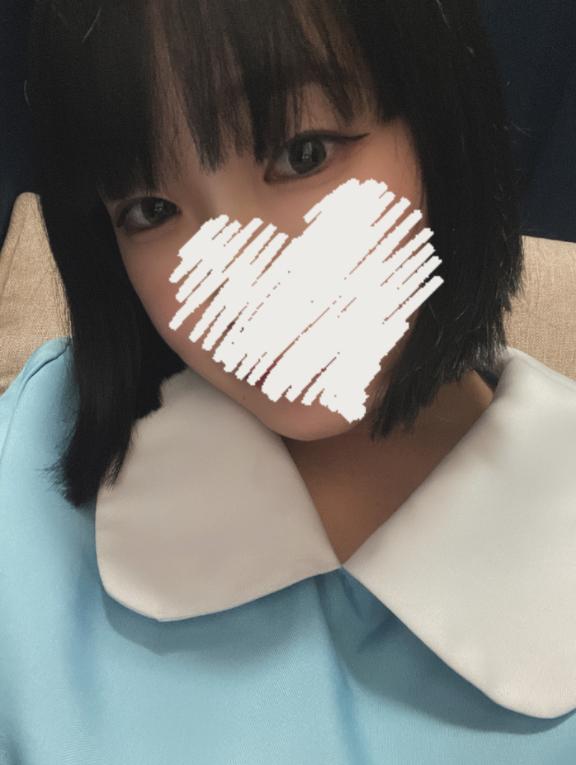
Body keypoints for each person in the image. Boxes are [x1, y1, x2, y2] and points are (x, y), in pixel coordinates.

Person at [1, 0, 576, 762]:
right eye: (152, 209)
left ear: (441, 121)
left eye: (303, 154)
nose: (237, 285)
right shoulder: (28, 453)